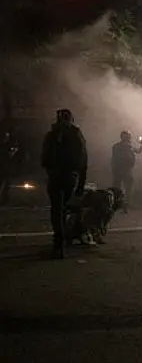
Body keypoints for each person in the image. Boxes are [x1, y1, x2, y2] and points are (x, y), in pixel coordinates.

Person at [41, 109, 88, 259]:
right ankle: (70, 236)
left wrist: (49, 170)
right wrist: (81, 183)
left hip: (56, 175)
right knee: (66, 208)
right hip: (71, 176)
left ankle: (59, 243)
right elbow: (83, 160)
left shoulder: (52, 135)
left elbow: (44, 158)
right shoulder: (76, 135)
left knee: (57, 210)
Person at [111, 131, 142, 213]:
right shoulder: (129, 146)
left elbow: (113, 159)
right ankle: (124, 205)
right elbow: (139, 151)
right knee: (127, 189)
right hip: (125, 170)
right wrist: (141, 143)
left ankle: (117, 205)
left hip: (119, 170)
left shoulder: (117, 146)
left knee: (118, 188)